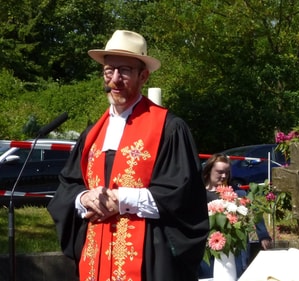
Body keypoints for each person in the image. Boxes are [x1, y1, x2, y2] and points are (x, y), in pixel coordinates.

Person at [47, 30, 209, 281]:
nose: (115, 79)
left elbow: (182, 195)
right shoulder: (92, 133)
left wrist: (121, 200)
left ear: (143, 76)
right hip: (96, 255)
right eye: (108, 70)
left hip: (147, 257)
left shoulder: (169, 128)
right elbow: (68, 187)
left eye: (124, 71)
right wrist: (84, 198)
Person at [199, 153, 272, 278]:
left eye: (227, 172)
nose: (224, 176)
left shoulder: (237, 193)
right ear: (208, 171)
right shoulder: (198, 194)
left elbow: (253, 213)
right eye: (220, 172)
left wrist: (263, 236)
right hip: (207, 248)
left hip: (234, 249)